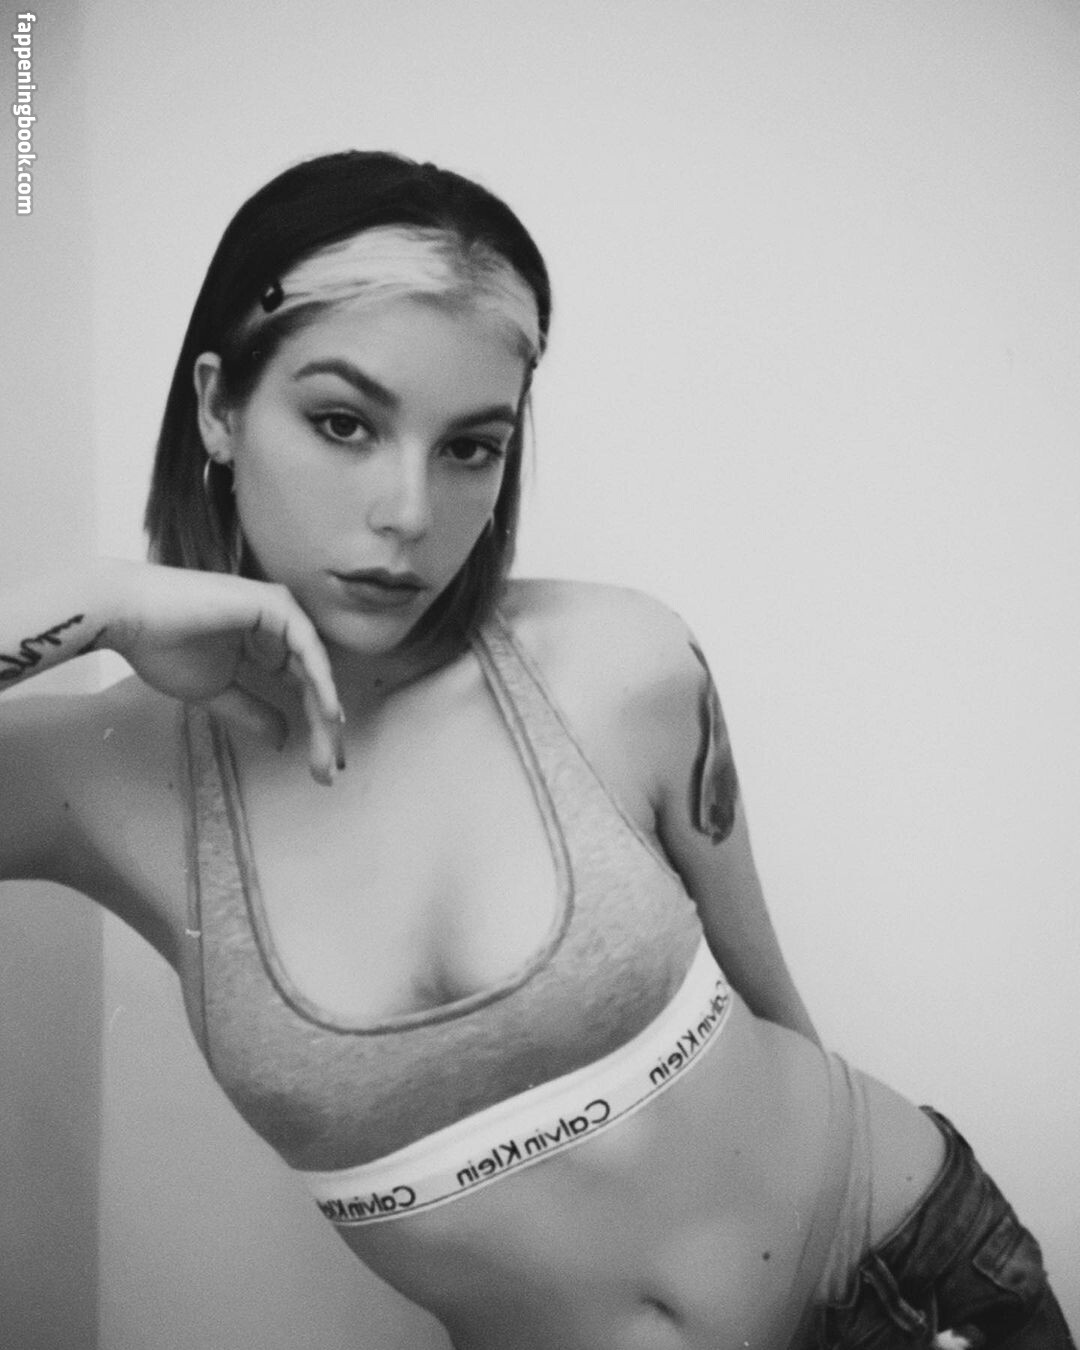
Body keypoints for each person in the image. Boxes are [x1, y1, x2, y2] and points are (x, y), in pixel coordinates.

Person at [1, 150, 1072, 1350]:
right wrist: (90, 602)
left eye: (471, 446)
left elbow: (778, 1015)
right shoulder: (106, 774)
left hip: (906, 1285)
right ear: (218, 408)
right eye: (344, 423)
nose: (410, 513)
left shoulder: (621, 663)